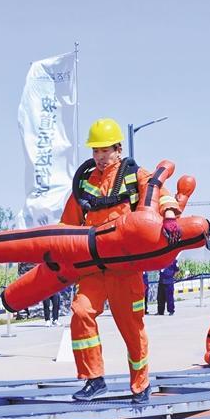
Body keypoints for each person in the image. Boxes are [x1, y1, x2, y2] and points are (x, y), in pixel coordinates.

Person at [62, 118, 182, 404]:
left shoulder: (134, 175)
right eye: (95, 151)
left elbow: (161, 194)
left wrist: (169, 215)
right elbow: (67, 225)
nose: (100, 156)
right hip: (93, 267)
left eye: (105, 150)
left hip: (126, 269)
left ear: (118, 149)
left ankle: (141, 384)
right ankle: (94, 379)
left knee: (131, 328)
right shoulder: (84, 184)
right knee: (80, 312)